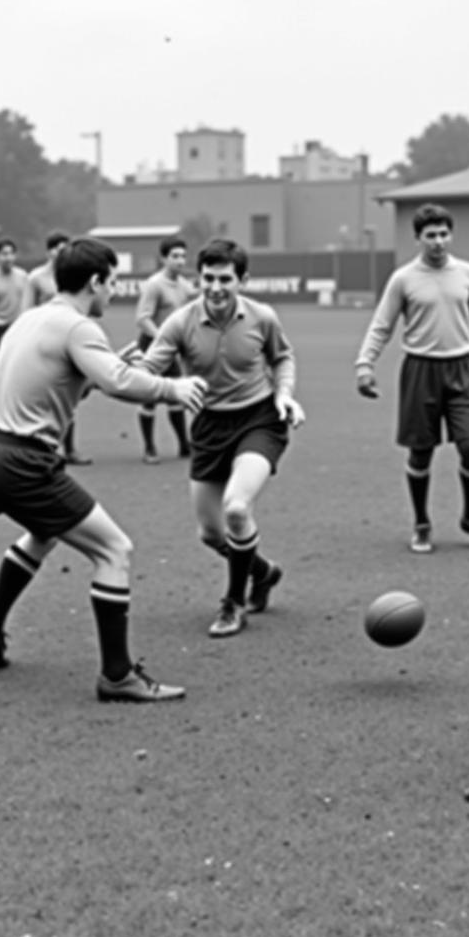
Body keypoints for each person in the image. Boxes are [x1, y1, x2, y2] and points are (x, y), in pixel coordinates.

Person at [0, 237, 207, 702]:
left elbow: (66, 380)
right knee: (114, 550)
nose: (114, 293)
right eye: (112, 283)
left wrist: (111, 368)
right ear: (95, 282)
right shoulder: (78, 327)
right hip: (19, 460)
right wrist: (174, 389)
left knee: (44, 531)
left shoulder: (31, 318)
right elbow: (117, 383)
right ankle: (117, 676)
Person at [142, 237, 304, 638]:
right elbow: (148, 371)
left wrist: (285, 396)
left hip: (259, 420)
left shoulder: (262, 317)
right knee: (211, 533)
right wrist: (119, 372)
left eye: (225, 279)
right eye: (208, 278)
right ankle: (262, 572)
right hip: (210, 426)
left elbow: (282, 357)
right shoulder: (180, 322)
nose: (215, 288)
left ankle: (234, 603)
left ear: (242, 280)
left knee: (236, 508)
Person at [354, 202, 469, 555]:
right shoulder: (403, 280)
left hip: (463, 368)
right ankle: (421, 524)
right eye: (431, 235)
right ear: (418, 239)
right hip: (420, 370)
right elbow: (382, 326)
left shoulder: (467, 274)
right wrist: (364, 365)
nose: (439, 241)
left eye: (444, 234)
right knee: (421, 453)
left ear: (451, 235)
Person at [22, 230, 91, 465]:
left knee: (69, 396)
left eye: (65, 248)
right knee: (43, 397)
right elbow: (27, 311)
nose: (61, 253)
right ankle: (48, 448)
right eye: (56, 249)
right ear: (48, 252)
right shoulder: (36, 278)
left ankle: (70, 449)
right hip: (43, 341)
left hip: (67, 339)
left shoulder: (75, 276)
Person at [134, 235, 197, 463]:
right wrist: (163, 338)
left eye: (183, 256)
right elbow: (142, 318)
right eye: (175, 256)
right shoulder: (154, 284)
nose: (180, 261)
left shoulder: (184, 286)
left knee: (176, 395)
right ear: (163, 258)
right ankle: (149, 448)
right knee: (149, 396)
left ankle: (184, 445)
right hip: (152, 347)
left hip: (171, 349)